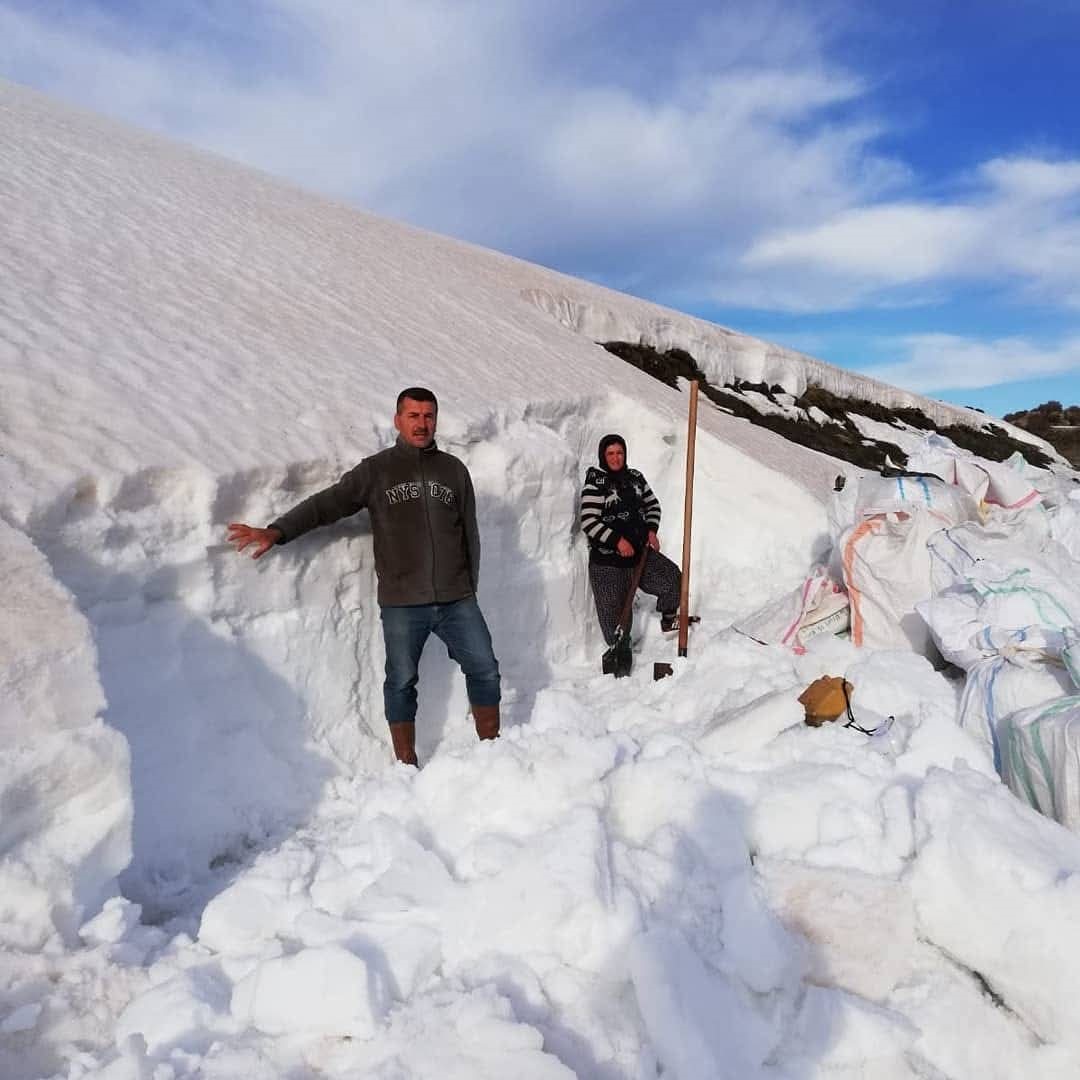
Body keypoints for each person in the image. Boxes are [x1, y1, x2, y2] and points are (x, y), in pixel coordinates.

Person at [226, 387, 500, 767]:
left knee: (485, 667)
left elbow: (469, 531)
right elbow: (327, 504)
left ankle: (494, 750)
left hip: (457, 599)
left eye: (428, 416)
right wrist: (278, 530)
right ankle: (406, 762)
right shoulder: (377, 471)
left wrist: (469, 586)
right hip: (404, 602)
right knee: (401, 681)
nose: (422, 424)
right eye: (413, 416)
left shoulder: (453, 471)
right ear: (398, 420)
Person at [579, 434, 682, 659]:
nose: (616, 458)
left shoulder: (635, 478)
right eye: (610, 454)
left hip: (639, 556)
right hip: (608, 564)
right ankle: (620, 654)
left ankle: (668, 620)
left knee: (673, 579)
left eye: (619, 453)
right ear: (602, 456)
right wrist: (617, 541)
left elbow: (653, 505)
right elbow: (588, 521)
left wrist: (651, 530)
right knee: (616, 626)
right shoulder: (596, 483)